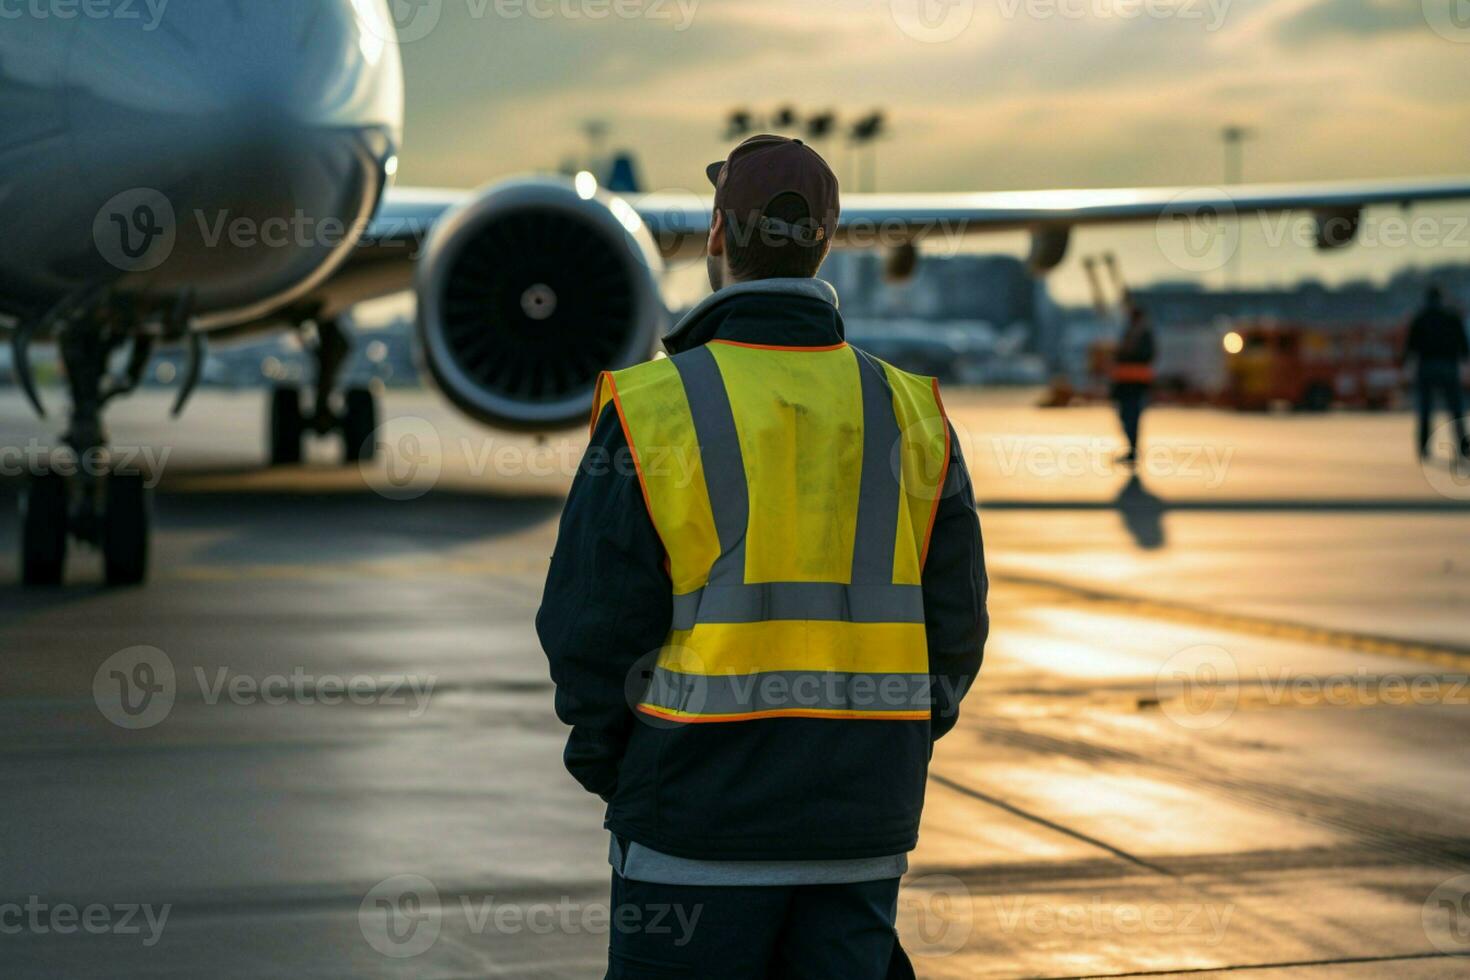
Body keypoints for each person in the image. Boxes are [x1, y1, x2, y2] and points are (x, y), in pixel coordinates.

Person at [538, 134, 987, 979]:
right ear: (825, 241)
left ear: (716, 236)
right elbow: (957, 630)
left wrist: (628, 778)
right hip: (859, 837)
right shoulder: (912, 413)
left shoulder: (654, 410)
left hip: (691, 836)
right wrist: (883, 759)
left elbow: (587, 630)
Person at [1403, 285, 1469, 460]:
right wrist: (1464, 360)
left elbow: (1410, 346)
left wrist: (1406, 365)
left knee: (1425, 410)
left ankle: (1424, 448)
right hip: (1448, 367)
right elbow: (1463, 344)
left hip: (1426, 367)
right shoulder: (1451, 317)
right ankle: (1463, 447)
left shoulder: (1420, 319)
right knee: (1456, 409)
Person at [1110, 303, 1155, 465]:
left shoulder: (1142, 335)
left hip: (1134, 385)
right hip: (1125, 384)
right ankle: (1131, 449)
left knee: (1131, 417)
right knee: (1126, 416)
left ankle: (1132, 450)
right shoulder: (1131, 333)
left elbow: (1144, 356)